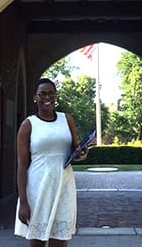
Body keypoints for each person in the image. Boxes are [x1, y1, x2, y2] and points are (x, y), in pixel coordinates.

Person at [14, 78, 87, 247]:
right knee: (37, 241)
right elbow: (22, 165)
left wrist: (81, 153)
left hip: (63, 185)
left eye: (51, 93)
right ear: (35, 97)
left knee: (60, 241)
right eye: (43, 94)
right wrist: (23, 202)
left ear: (56, 96)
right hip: (38, 187)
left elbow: (75, 150)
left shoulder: (67, 119)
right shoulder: (28, 125)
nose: (47, 97)